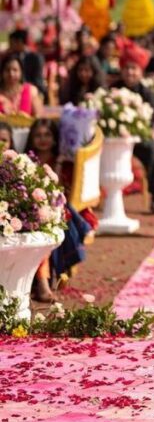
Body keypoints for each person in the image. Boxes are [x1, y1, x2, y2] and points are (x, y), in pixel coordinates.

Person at [23, 117, 91, 302]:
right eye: (38, 135)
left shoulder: (64, 162)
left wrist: (58, 168)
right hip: (30, 211)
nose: (43, 139)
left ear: (55, 138)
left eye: (47, 135)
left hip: (59, 211)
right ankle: (40, 284)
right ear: (31, 138)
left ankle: (42, 285)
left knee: (43, 226)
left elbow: (65, 193)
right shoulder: (25, 160)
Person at [112, 45, 154, 214]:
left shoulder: (147, 93)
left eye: (133, 68)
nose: (130, 72)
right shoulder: (113, 90)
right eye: (126, 68)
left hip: (138, 139)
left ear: (140, 71)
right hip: (115, 139)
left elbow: (153, 120)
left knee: (152, 150)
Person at [6, 29, 47, 97]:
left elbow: (37, 80)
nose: (10, 46)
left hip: (32, 90)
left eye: (12, 43)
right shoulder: (10, 57)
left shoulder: (35, 58)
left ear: (19, 42)